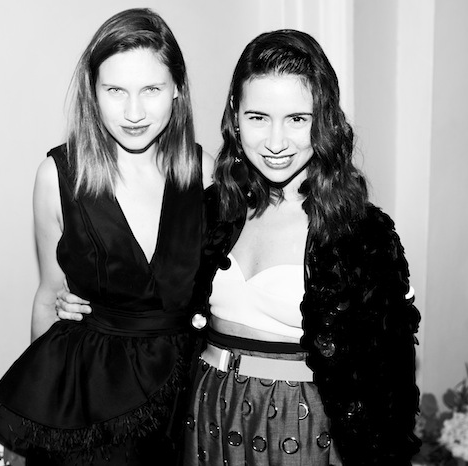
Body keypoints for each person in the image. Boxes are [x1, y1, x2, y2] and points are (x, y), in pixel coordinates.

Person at [58, 29, 421, 466]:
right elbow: (157, 295)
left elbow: (390, 381)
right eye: (258, 117)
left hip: (302, 426)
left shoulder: (360, 234)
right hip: (206, 415)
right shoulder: (215, 209)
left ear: (324, 120)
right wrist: (84, 303)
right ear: (235, 115)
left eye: (297, 119)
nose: (276, 142)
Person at [0, 8, 213, 466]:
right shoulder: (57, 176)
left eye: (151, 89)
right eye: (115, 90)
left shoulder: (203, 173)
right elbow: (50, 295)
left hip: (186, 398)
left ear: (177, 89)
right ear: (93, 92)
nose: (133, 113)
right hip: (91, 402)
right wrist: (43, 417)